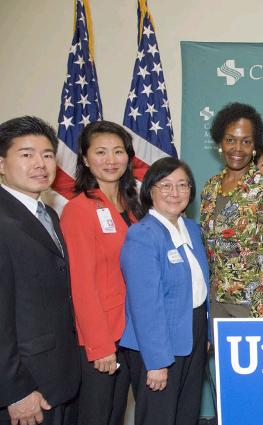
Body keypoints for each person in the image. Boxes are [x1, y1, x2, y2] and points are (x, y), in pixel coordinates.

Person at [59, 121, 142, 425]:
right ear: (84, 158)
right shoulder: (79, 210)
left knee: (115, 416)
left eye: (118, 151)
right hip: (102, 339)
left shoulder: (133, 206)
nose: (111, 160)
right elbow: (81, 284)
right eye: (101, 152)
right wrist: (100, 345)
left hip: (129, 335)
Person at [0, 116, 80, 425]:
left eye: (47, 155)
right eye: (26, 154)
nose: (40, 164)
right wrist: (15, 391)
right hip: (24, 390)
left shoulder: (47, 214)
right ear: (3, 164)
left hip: (59, 379)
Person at [120, 157, 211, 425]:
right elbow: (145, 306)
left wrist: (203, 331)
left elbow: (200, 284)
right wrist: (157, 362)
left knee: (186, 413)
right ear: (150, 190)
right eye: (166, 185)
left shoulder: (192, 230)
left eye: (183, 185)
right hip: (158, 342)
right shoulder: (143, 235)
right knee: (158, 417)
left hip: (193, 334)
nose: (175, 193)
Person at [200, 102, 263, 318]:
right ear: (220, 142)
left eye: (246, 142)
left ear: (254, 146)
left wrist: (261, 317)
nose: (237, 149)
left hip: (250, 309)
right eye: (230, 140)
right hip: (215, 302)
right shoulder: (210, 188)